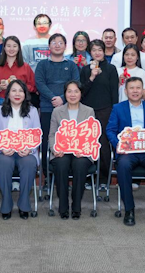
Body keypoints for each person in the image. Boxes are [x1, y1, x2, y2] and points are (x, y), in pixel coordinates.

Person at [106, 77, 145, 227]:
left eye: (138, 88)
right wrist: (119, 145)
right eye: (131, 88)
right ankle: (129, 209)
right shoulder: (118, 108)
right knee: (123, 166)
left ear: (143, 90)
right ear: (126, 91)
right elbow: (110, 130)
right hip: (128, 152)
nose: (135, 91)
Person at [0, 80, 40, 220]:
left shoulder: (32, 111)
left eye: (20, 91)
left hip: (26, 151)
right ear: (8, 94)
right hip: (4, 151)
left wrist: (30, 149)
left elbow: (37, 134)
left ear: (25, 94)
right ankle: (6, 202)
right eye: (14, 90)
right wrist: (1, 147)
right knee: (4, 163)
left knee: (29, 163)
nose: (17, 94)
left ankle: (24, 204)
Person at [49, 81, 95, 219]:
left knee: (79, 164)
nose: (73, 94)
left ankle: (76, 206)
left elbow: (92, 135)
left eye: (76, 91)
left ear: (81, 93)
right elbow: (52, 135)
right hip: (62, 151)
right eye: (69, 91)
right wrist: (55, 149)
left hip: (81, 151)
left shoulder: (89, 111)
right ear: (65, 94)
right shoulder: (57, 111)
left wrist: (85, 149)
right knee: (61, 164)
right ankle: (63, 206)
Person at [35, 34, 80, 177]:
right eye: (54, 42)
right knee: (47, 140)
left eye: (60, 43)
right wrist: (53, 98)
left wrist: (62, 98)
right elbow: (40, 83)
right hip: (47, 107)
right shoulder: (42, 65)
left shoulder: (71, 65)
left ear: (65, 46)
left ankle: (67, 174)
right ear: (49, 46)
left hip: (68, 108)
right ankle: (47, 175)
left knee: (68, 138)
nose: (57, 45)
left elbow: (76, 84)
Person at [79, 39, 119, 190]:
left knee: (103, 144)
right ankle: (89, 177)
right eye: (94, 50)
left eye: (100, 50)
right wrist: (91, 77)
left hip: (105, 110)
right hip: (87, 111)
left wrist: (114, 111)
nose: (97, 53)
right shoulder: (85, 70)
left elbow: (114, 92)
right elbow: (81, 92)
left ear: (104, 51)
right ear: (90, 52)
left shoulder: (111, 69)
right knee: (87, 143)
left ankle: (103, 179)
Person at [0, 36, 36, 104]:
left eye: (14, 46)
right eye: (8, 46)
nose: (11, 49)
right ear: (4, 48)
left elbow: (34, 87)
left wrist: (20, 85)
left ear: (19, 48)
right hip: (3, 101)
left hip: (22, 102)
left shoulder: (26, 67)